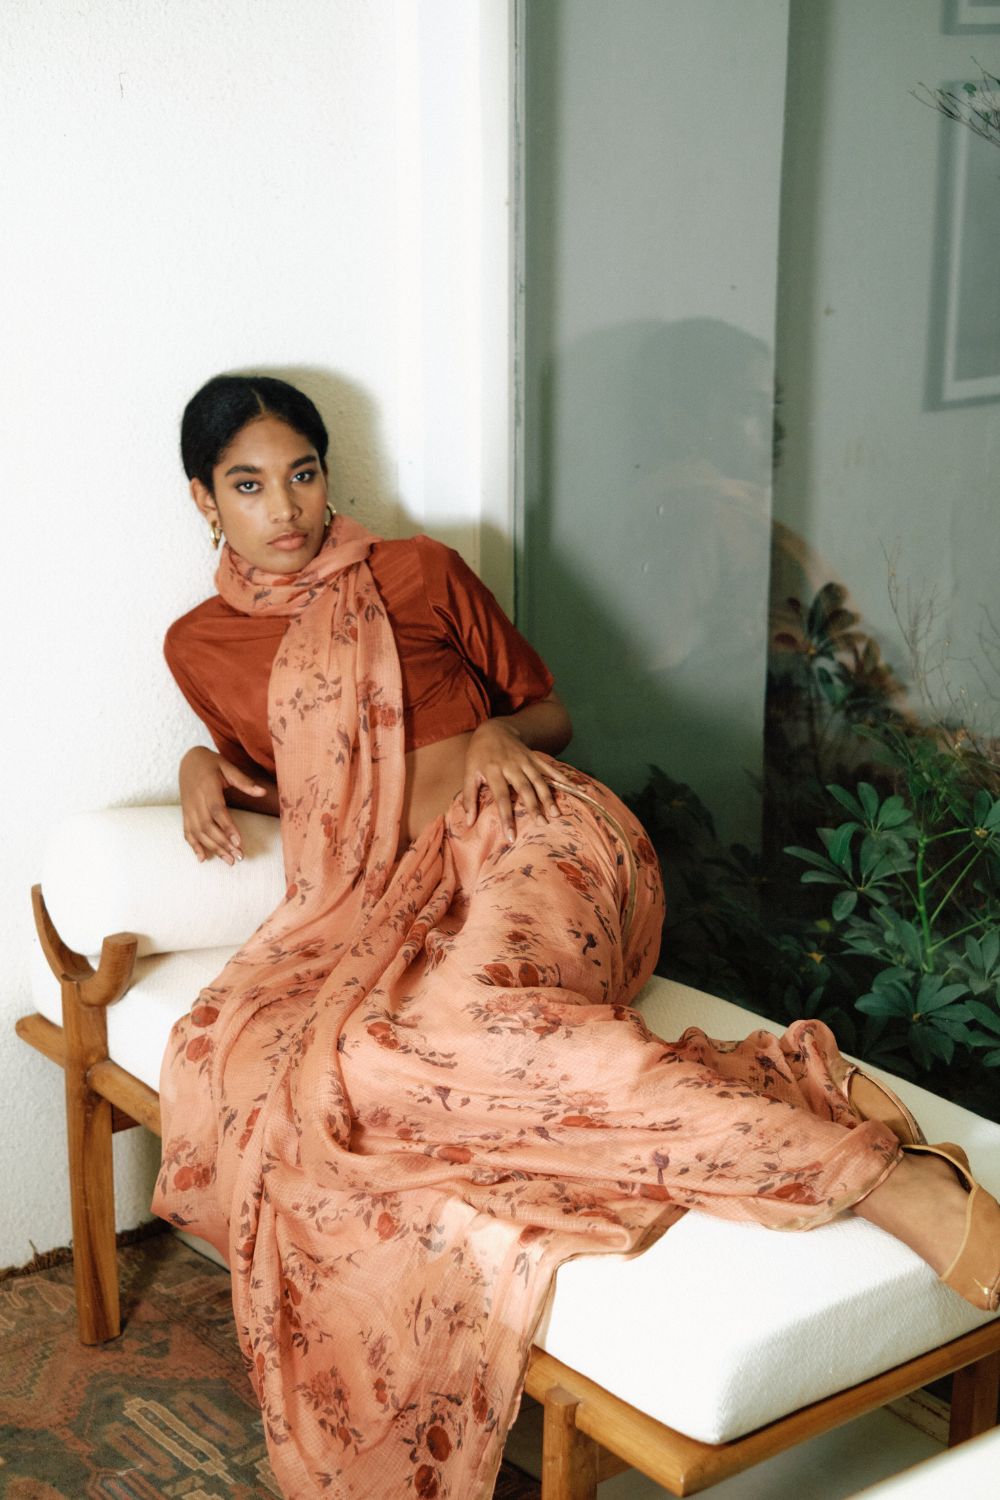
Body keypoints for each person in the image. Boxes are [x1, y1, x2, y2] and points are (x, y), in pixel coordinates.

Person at [154, 374, 999, 1500]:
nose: (286, 507)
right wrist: (199, 765)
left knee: (472, 1027)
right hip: (403, 895)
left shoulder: (418, 571)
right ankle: (826, 1129)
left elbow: (549, 713)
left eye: (302, 474)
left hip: (536, 835)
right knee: (355, 1061)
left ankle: (886, 1182)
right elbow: (308, 784)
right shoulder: (198, 645)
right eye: (250, 485)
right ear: (204, 499)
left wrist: (498, 736)